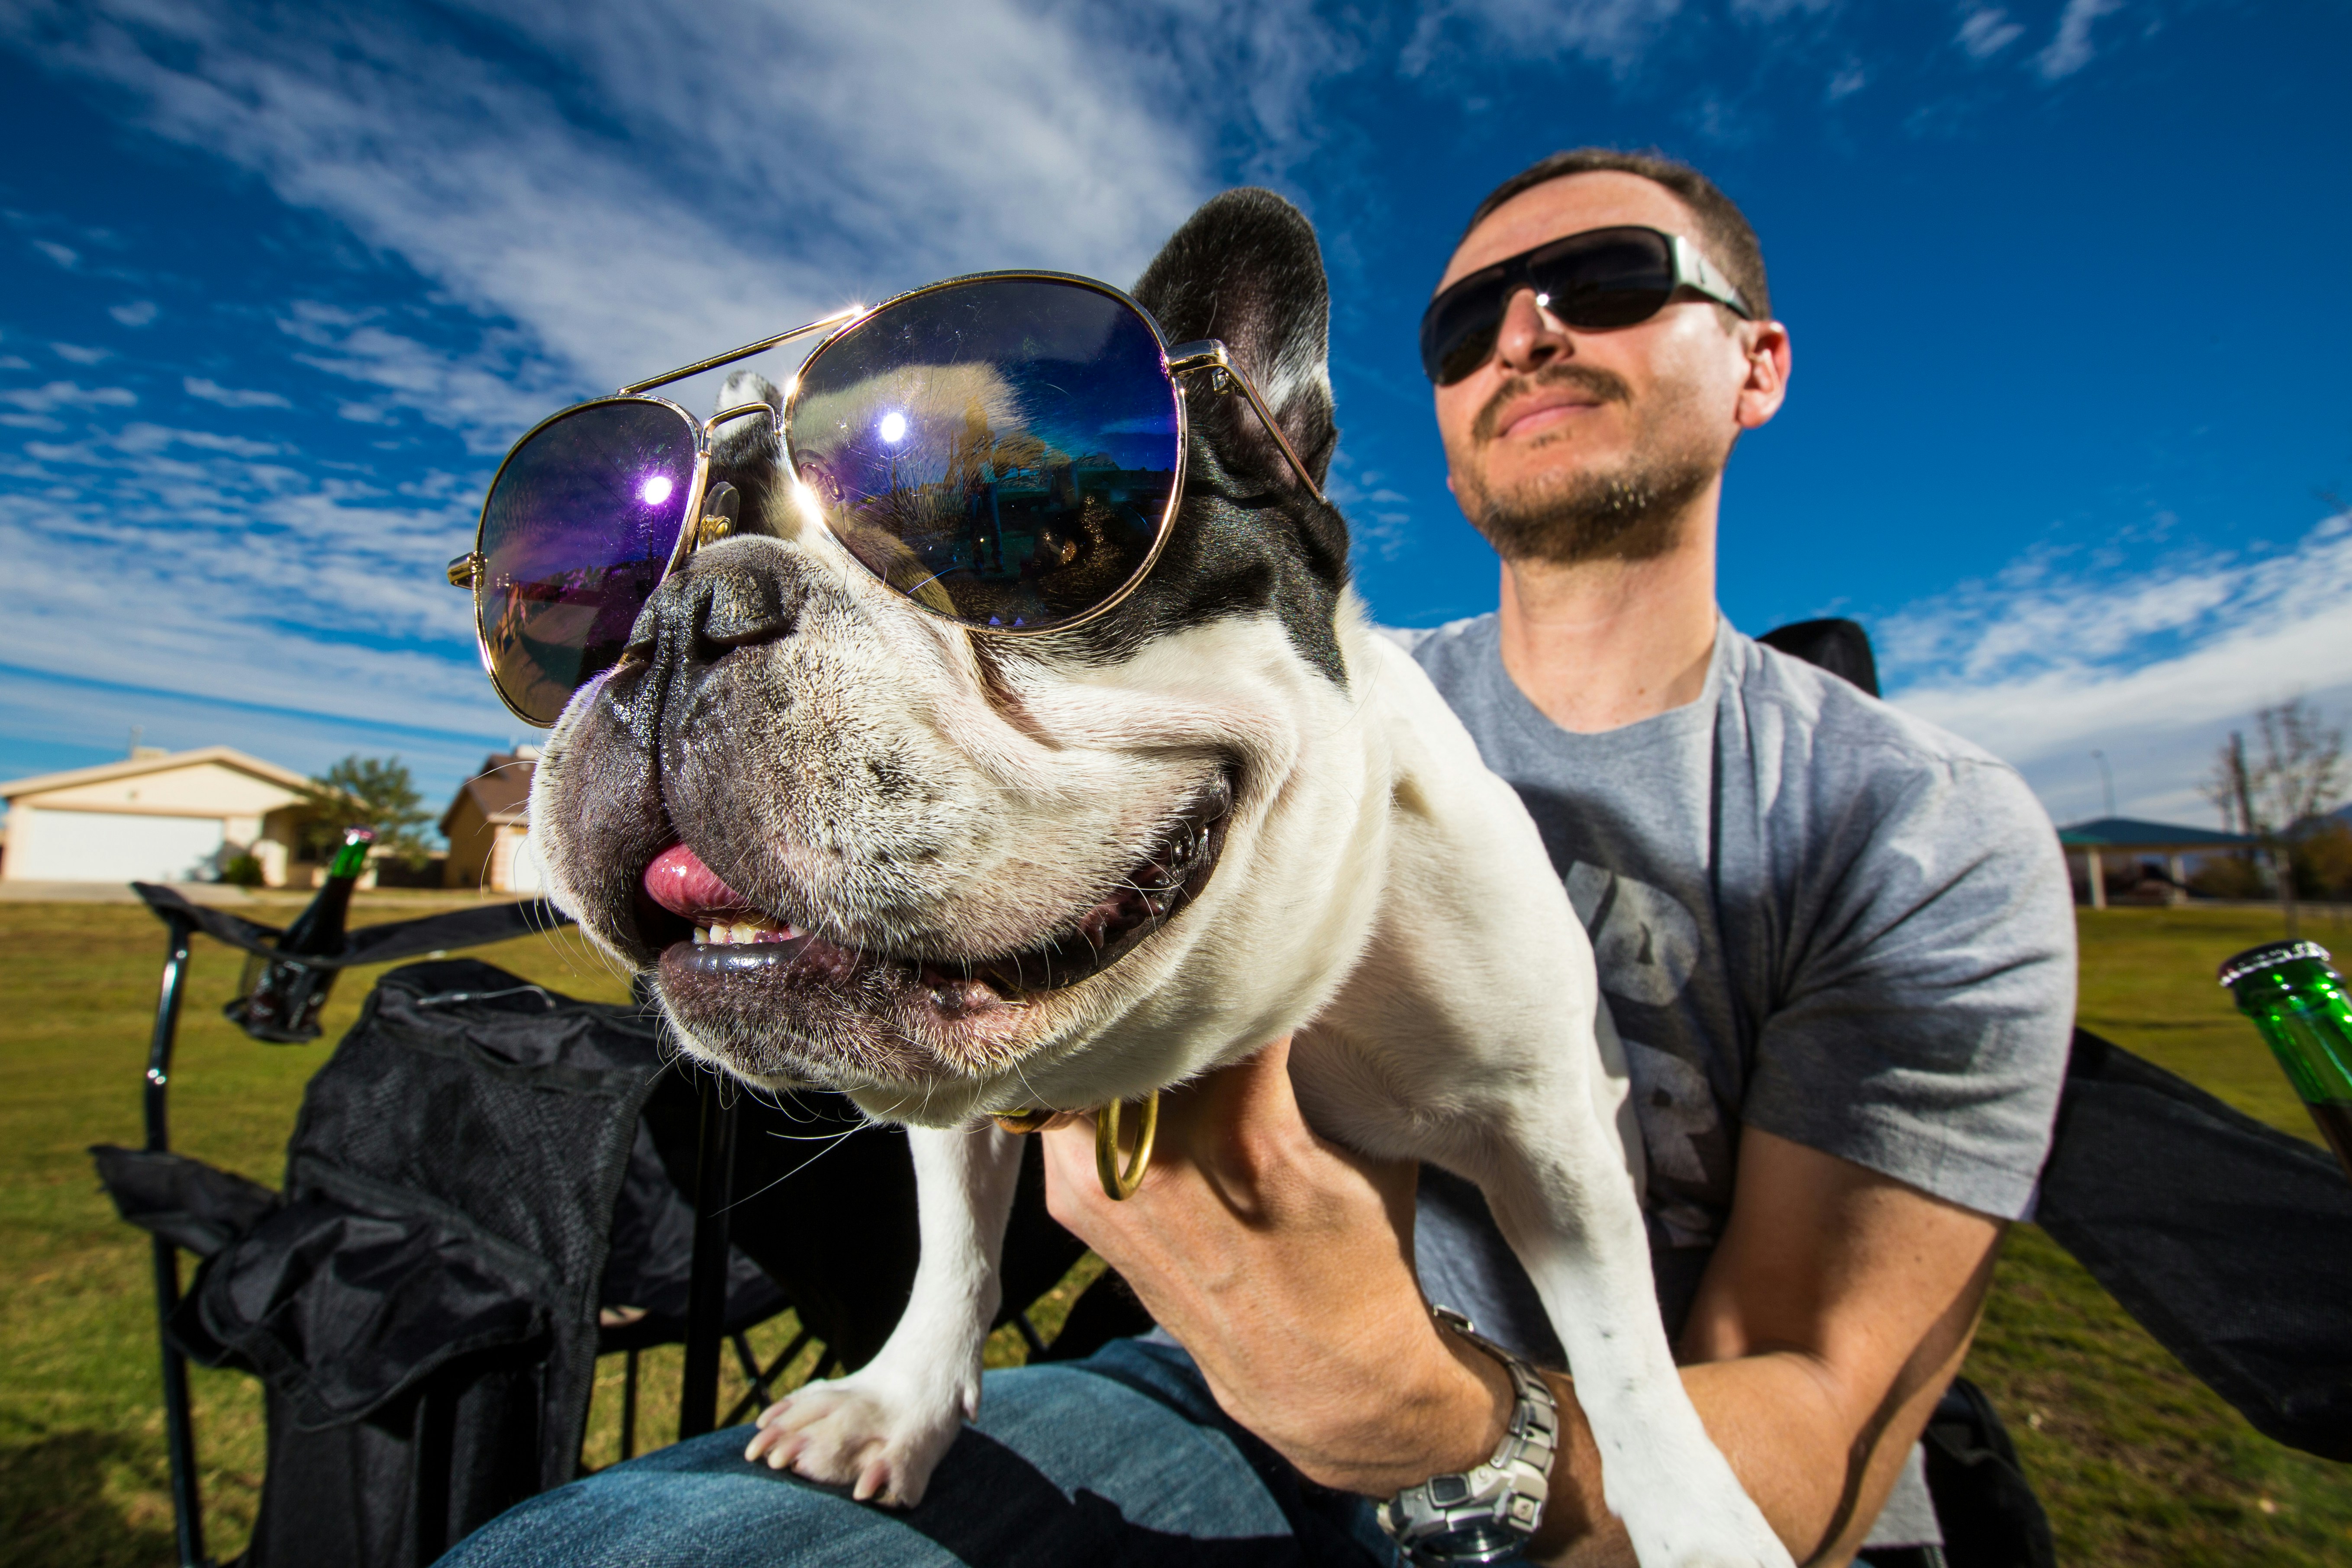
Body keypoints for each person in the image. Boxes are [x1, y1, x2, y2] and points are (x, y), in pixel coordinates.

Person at [440, 149, 2075, 1568]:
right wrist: (941, 1328)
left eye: (1607, 279)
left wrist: (1411, 1408)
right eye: (1464, 318)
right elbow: (996, 992)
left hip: (1587, 1451)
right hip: (1205, 1381)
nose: (1528, 329)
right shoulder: (1286, 675)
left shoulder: (1914, 822)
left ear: (1760, 362)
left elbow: (1820, 1417)